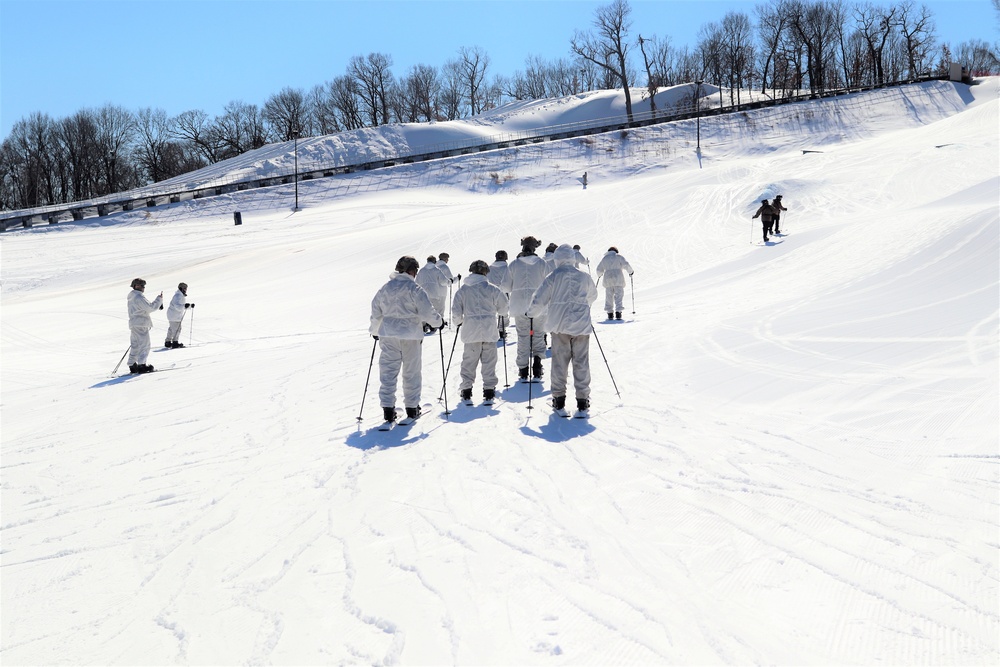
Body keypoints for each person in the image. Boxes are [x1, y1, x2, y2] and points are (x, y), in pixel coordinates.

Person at [369, 256, 443, 425]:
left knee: (388, 371)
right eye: (415, 271)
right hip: (410, 335)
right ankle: (412, 407)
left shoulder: (385, 288)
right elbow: (427, 312)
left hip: (388, 335)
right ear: (411, 271)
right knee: (411, 371)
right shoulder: (415, 289)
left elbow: (375, 310)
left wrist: (374, 330)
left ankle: (388, 410)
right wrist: (438, 322)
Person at [527, 244, 598, 418]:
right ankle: (583, 400)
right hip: (581, 325)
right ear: (573, 258)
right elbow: (593, 295)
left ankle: (558, 399)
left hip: (559, 326)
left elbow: (539, 299)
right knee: (581, 362)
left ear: (557, 259)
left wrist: (531, 313)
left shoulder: (553, 277)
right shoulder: (584, 277)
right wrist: (583, 306)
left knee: (560, 363)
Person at [451, 260, 509, 405]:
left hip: (470, 331)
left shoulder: (463, 290)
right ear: (485, 272)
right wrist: (499, 313)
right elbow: (503, 308)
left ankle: (466, 389)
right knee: (489, 361)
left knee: (469, 361)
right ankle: (489, 390)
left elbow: (456, 312)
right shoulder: (492, 289)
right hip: (489, 329)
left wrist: (459, 322)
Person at [502, 236, 549, 382]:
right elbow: (549, 282)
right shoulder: (542, 263)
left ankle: (523, 369)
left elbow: (505, 286)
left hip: (519, 306)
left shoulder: (514, 264)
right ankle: (537, 364)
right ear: (535, 247)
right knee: (538, 334)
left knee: (523, 337)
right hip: (539, 305)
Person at [126, 278, 163, 373]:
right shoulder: (139, 297)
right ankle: (142, 365)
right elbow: (150, 308)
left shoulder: (132, 297)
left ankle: (132, 364)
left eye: (143, 285)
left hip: (134, 324)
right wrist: (159, 299)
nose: (142, 287)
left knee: (135, 344)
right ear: (134, 286)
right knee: (145, 345)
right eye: (140, 285)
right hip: (141, 323)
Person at [595, 247, 634, 320]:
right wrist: (630, 272)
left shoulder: (605, 258)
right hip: (618, 278)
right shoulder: (619, 257)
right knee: (619, 296)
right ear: (616, 251)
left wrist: (599, 275)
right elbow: (626, 264)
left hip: (608, 279)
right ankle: (618, 312)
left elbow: (599, 269)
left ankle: (609, 313)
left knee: (609, 296)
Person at [415, 256, 450, 333]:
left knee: (424, 309)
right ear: (434, 262)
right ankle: (433, 325)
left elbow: (416, 282)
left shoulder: (422, 271)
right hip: (434, 293)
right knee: (434, 309)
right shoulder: (436, 270)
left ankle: (424, 325)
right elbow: (443, 281)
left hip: (423, 293)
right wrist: (449, 282)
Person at [487, 250, 511, 339]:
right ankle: (502, 330)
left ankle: (492, 329)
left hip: (491, 292)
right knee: (503, 311)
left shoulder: (489, 268)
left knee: (492, 311)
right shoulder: (507, 268)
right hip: (504, 292)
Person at [165, 282, 194, 349]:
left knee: (172, 329)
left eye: (186, 288)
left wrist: (190, 306)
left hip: (173, 315)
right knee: (177, 329)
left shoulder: (179, 295)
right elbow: (177, 306)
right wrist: (185, 305)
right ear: (181, 288)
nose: (185, 290)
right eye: (184, 288)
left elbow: (182, 306)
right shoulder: (178, 296)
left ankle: (168, 342)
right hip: (174, 316)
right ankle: (175, 342)